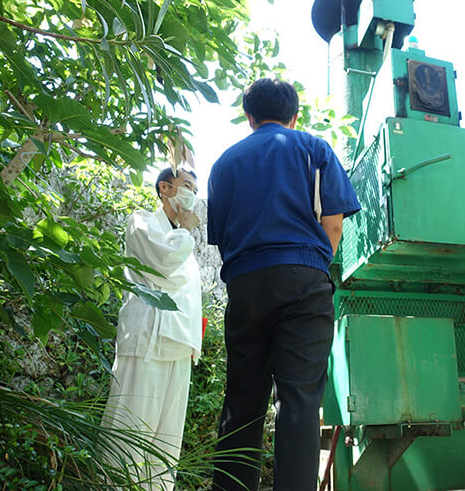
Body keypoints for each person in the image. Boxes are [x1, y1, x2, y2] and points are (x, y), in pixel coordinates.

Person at [207, 78, 361, 491]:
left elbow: (222, 238)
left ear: (249, 116)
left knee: (242, 402)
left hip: (245, 284)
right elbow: (332, 225)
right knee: (298, 403)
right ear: (295, 115)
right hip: (303, 281)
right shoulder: (313, 149)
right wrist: (308, 266)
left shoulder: (223, 164)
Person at [101, 167, 203, 490]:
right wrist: (185, 231)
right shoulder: (141, 222)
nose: (191, 194)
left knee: (164, 452)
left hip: (178, 350)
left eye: (194, 189)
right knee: (128, 439)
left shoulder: (182, 239)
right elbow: (161, 265)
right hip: (147, 343)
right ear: (164, 188)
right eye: (185, 185)